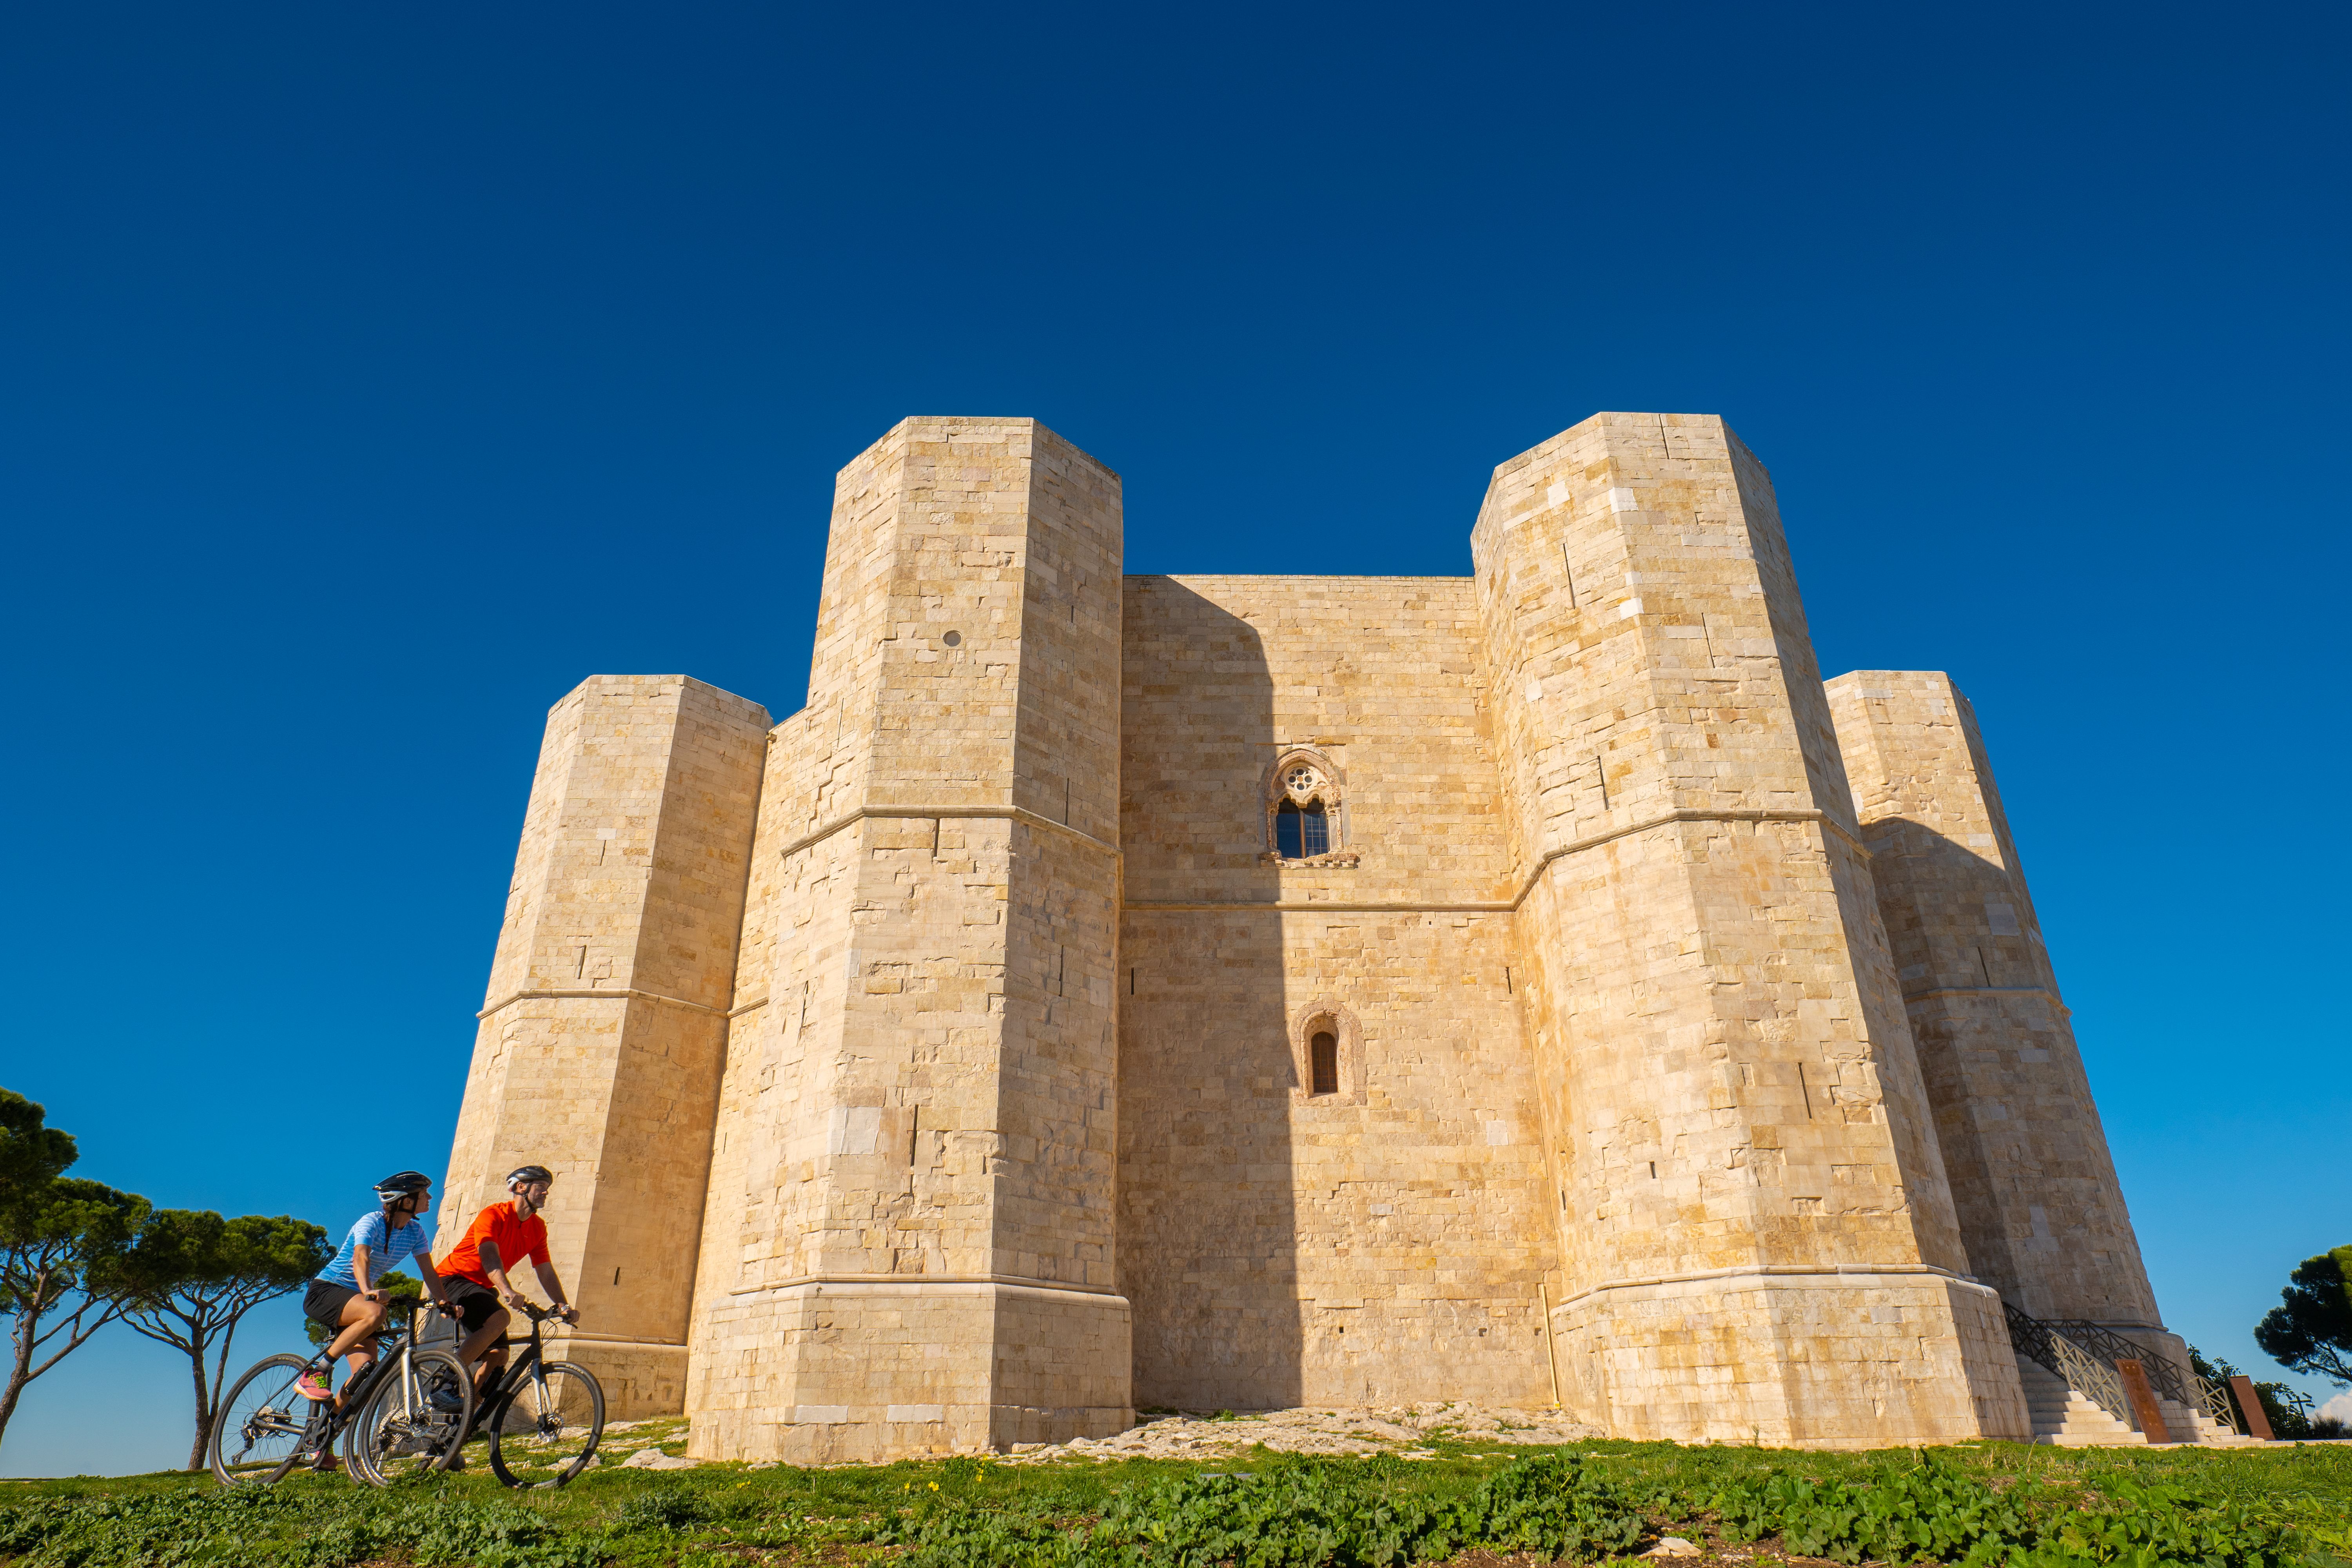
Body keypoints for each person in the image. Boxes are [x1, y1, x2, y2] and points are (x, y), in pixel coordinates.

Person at [299, 1171, 461, 1448]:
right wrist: (367, 1291)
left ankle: (320, 1437)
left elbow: (429, 1272)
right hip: (326, 1291)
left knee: (365, 1377)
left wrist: (444, 1301)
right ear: (406, 1201)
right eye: (424, 1195)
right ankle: (316, 1371)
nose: (430, 1199)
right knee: (375, 1314)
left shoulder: (414, 1232)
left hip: (357, 1301)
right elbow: (360, 1257)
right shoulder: (371, 1222)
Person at [436, 1163, 579, 1398]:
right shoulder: (493, 1215)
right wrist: (507, 1290)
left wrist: (563, 1305)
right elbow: (489, 1255)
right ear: (521, 1187)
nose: (546, 1193)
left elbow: (545, 1270)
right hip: (454, 1278)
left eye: (547, 1188)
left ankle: (466, 1413)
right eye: (541, 1187)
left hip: (481, 1287)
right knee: (501, 1318)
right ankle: (446, 1384)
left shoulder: (538, 1228)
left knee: (499, 1356)